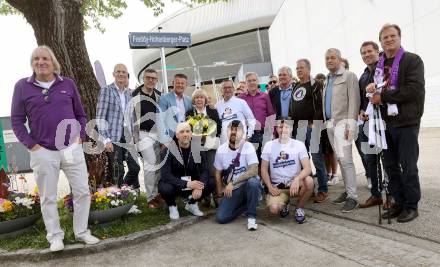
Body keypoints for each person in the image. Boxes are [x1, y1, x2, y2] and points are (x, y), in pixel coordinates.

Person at [11, 46, 99, 251]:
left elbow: (81, 114)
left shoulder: (67, 83)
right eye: (36, 59)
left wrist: (80, 136)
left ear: (53, 63)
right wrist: (32, 145)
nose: (40, 62)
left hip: (71, 147)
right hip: (43, 151)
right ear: (32, 63)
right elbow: (16, 120)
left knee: (82, 192)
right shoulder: (22, 86)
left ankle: (82, 232)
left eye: (44, 58)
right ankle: (55, 237)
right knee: (48, 196)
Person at [367, 24, 425, 223]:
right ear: (381, 41)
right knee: (391, 166)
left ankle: (411, 205)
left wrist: (382, 96)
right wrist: (372, 88)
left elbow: (413, 90)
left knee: (408, 166)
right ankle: (398, 202)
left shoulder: (412, 60)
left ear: (399, 38)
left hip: (406, 122)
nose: (389, 39)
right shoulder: (379, 65)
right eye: (385, 37)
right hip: (385, 123)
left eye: (392, 36)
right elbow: (376, 90)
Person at [323, 48, 361, 213]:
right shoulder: (327, 79)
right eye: (327, 58)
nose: (329, 60)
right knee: (340, 160)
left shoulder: (349, 76)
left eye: (332, 58)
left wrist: (350, 126)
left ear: (339, 59)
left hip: (343, 125)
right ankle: (347, 191)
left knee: (346, 161)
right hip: (330, 125)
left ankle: (353, 197)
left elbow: (354, 101)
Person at [289, 59, 328, 203]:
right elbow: (292, 106)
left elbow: (320, 106)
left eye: (301, 68)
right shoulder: (296, 86)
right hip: (298, 129)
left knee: (317, 159)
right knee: (303, 161)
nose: (298, 70)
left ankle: (323, 190)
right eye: (297, 68)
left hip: (312, 128)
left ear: (309, 69)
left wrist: (315, 123)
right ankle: (309, 188)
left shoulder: (316, 84)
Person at [260, 119, 314, 223]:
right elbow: (263, 169)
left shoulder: (299, 145)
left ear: (291, 129)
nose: (283, 130)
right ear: (276, 129)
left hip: (295, 184)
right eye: (280, 127)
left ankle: (299, 208)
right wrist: (270, 187)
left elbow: (307, 168)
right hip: (278, 187)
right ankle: (285, 203)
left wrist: (297, 179)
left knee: (309, 181)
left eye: (286, 127)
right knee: (274, 209)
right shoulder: (269, 145)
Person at [158, 122, 215, 219]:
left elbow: (205, 170)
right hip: (176, 185)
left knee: (211, 182)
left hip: (193, 184)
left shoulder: (197, 148)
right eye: (182, 132)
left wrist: (199, 186)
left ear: (191, 134)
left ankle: (192, 204)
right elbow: (165, 175)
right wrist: (186, 184)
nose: (185, 134)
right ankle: (172, 206)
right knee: (164, 187)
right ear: (177, 135)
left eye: (188, 131)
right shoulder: (168, 150)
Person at [96, 63, 140, 187]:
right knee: (118, 170)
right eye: (118, 71)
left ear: (127, 75)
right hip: (113, 137)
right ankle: (120, 198)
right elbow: (100, 117)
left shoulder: (128, 94)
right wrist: (106, 139)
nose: (121, 74)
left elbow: (132, 117)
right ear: (114, 74)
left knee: (135, 168)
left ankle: (123, 191)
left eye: (123, 72)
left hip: (128, 137)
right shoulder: (106, 90)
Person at [214, 120, 261, 230]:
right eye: (231, 129)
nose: (234, 132)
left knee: (253, 182)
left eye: (237, 129)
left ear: (243, 132)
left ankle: (251, 217)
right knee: (221, 218)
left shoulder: (248, 146)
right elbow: (217, 172)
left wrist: (233, 183)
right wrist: (220, 192)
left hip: (246, 185)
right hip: (233, 190)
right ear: (227, 131)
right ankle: (249, 204)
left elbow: (253, 170)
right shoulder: (221, 149)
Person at [130, 68, 164, 208]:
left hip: (158, 134)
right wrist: (134, 138)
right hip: (143, 134)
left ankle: (157, 194)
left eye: (153, 78)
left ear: (156, 80)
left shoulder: (158, 95)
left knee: (158, 165)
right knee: (150, 164)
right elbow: (131, 117)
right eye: (148, 77)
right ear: (143, 79)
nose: (151, 80)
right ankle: (150, 198)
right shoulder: (134, 95)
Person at [357, 41, 384, 208]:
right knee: (369, 159)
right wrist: (361, 111)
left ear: (377, 51)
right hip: (366, 124)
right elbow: (361, 100)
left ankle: (393, 195)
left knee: (388, 161)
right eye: (363, 53)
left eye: (369, 51)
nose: (366, 55)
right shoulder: (364, 75)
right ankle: (376, 194)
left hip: (383, 123)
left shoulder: (385, 71)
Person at [186, 89, 222, 205]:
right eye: (197, 98)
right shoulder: (190, 112)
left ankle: (217, 197)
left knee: (212, 171)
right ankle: (206, 198)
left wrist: (208, 133)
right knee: (200, 171)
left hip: (211, 145)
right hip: (196, 146)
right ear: (194, 100)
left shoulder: (212, 111)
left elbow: (219, 127)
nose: (199, 99)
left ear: (205, 99)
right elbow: (188, 129)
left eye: (202, 97)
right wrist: (198, 135)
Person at [239, 72, 275, 160]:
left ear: (258, 81)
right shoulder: (240, 98)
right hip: (248, 136)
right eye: (249, 81)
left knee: (266, 161)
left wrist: (272, 133)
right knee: (252, 162)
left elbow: (270, 114)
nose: (252, 83)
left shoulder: (265, 96)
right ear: (246, 83)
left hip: (263, 134)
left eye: (254, 80)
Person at [216, 80, 256, 144]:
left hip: (241, 142)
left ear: (233, 89)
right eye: (225, 88)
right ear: (221, 90)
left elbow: (251, 120)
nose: (227, 89)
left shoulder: (241, 102)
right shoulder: (217, 105)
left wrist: (248, 136)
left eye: (229, 87)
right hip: (224, 143)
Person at [159, 73, 192, 142]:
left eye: (182, 83)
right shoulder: (164, 98)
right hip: (170, 137)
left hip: (186, 136)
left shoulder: (189, 100)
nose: (180, 85)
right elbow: (160, 120)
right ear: (173, 83)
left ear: (186, 85)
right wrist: (163, 140)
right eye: (178, 83)